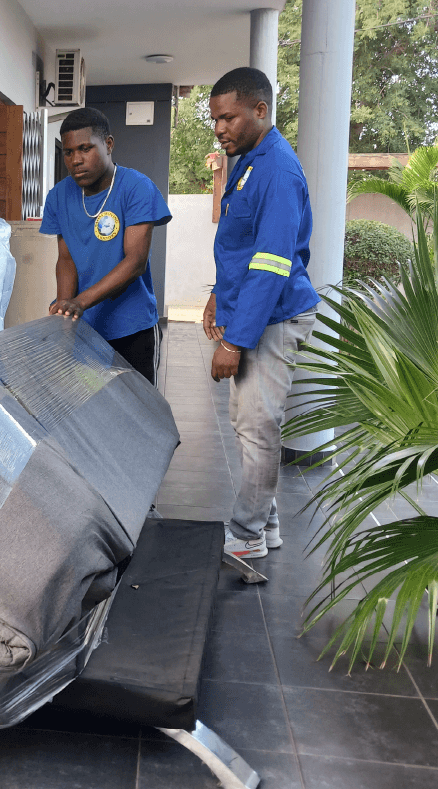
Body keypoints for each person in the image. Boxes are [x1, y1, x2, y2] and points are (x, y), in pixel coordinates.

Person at [203, 67, 319, 559]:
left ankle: (248, 534)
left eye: (228, 118)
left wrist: (234, 341)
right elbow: (240, 245)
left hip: (274, 317)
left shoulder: (277, 170)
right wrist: (218, 294)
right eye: (215, 120)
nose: (219, 129)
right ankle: (266, 525)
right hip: (256, 314)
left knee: (257, 425)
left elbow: (271, 265)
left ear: (260, 110)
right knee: (247, 422)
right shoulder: (251, 161)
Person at [40, 106, 172, 386]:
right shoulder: (58, 196)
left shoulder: (136, 187)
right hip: (85, 329)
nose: (76, 160)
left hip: (133, 328)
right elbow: (66, 259)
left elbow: (135, 262)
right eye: (68, 152)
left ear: (108, 144)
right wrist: (65, 313)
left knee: (138, 408)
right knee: (90, 406)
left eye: (85, 149)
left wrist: (79, 303)